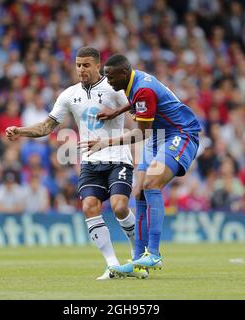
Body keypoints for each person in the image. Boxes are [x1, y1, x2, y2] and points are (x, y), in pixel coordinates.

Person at [5, 47, 147, 280]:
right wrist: (19, 131)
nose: (81, 69)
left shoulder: (115, 88)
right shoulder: (69, 95)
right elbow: (46, 127)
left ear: (97, 65)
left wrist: (127, 116)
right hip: (90, 162)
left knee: (120, 206)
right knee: (89, 206)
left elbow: (138, 108)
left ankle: (137, 255)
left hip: (118, 158)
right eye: (78, 65)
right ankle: (112, 265)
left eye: (86, 65)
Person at [79, 54, 201, 278]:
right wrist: (117, 112)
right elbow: (138, 103)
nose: (108, 82)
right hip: (158, 136)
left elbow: (140, 132)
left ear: (124, 73)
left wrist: (105, 142)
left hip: (180, 132)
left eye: (111, 77)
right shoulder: (133, 81)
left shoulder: (142, 88)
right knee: (139, 192)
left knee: (152, 183)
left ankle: (153, 253)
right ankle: (138, 261)